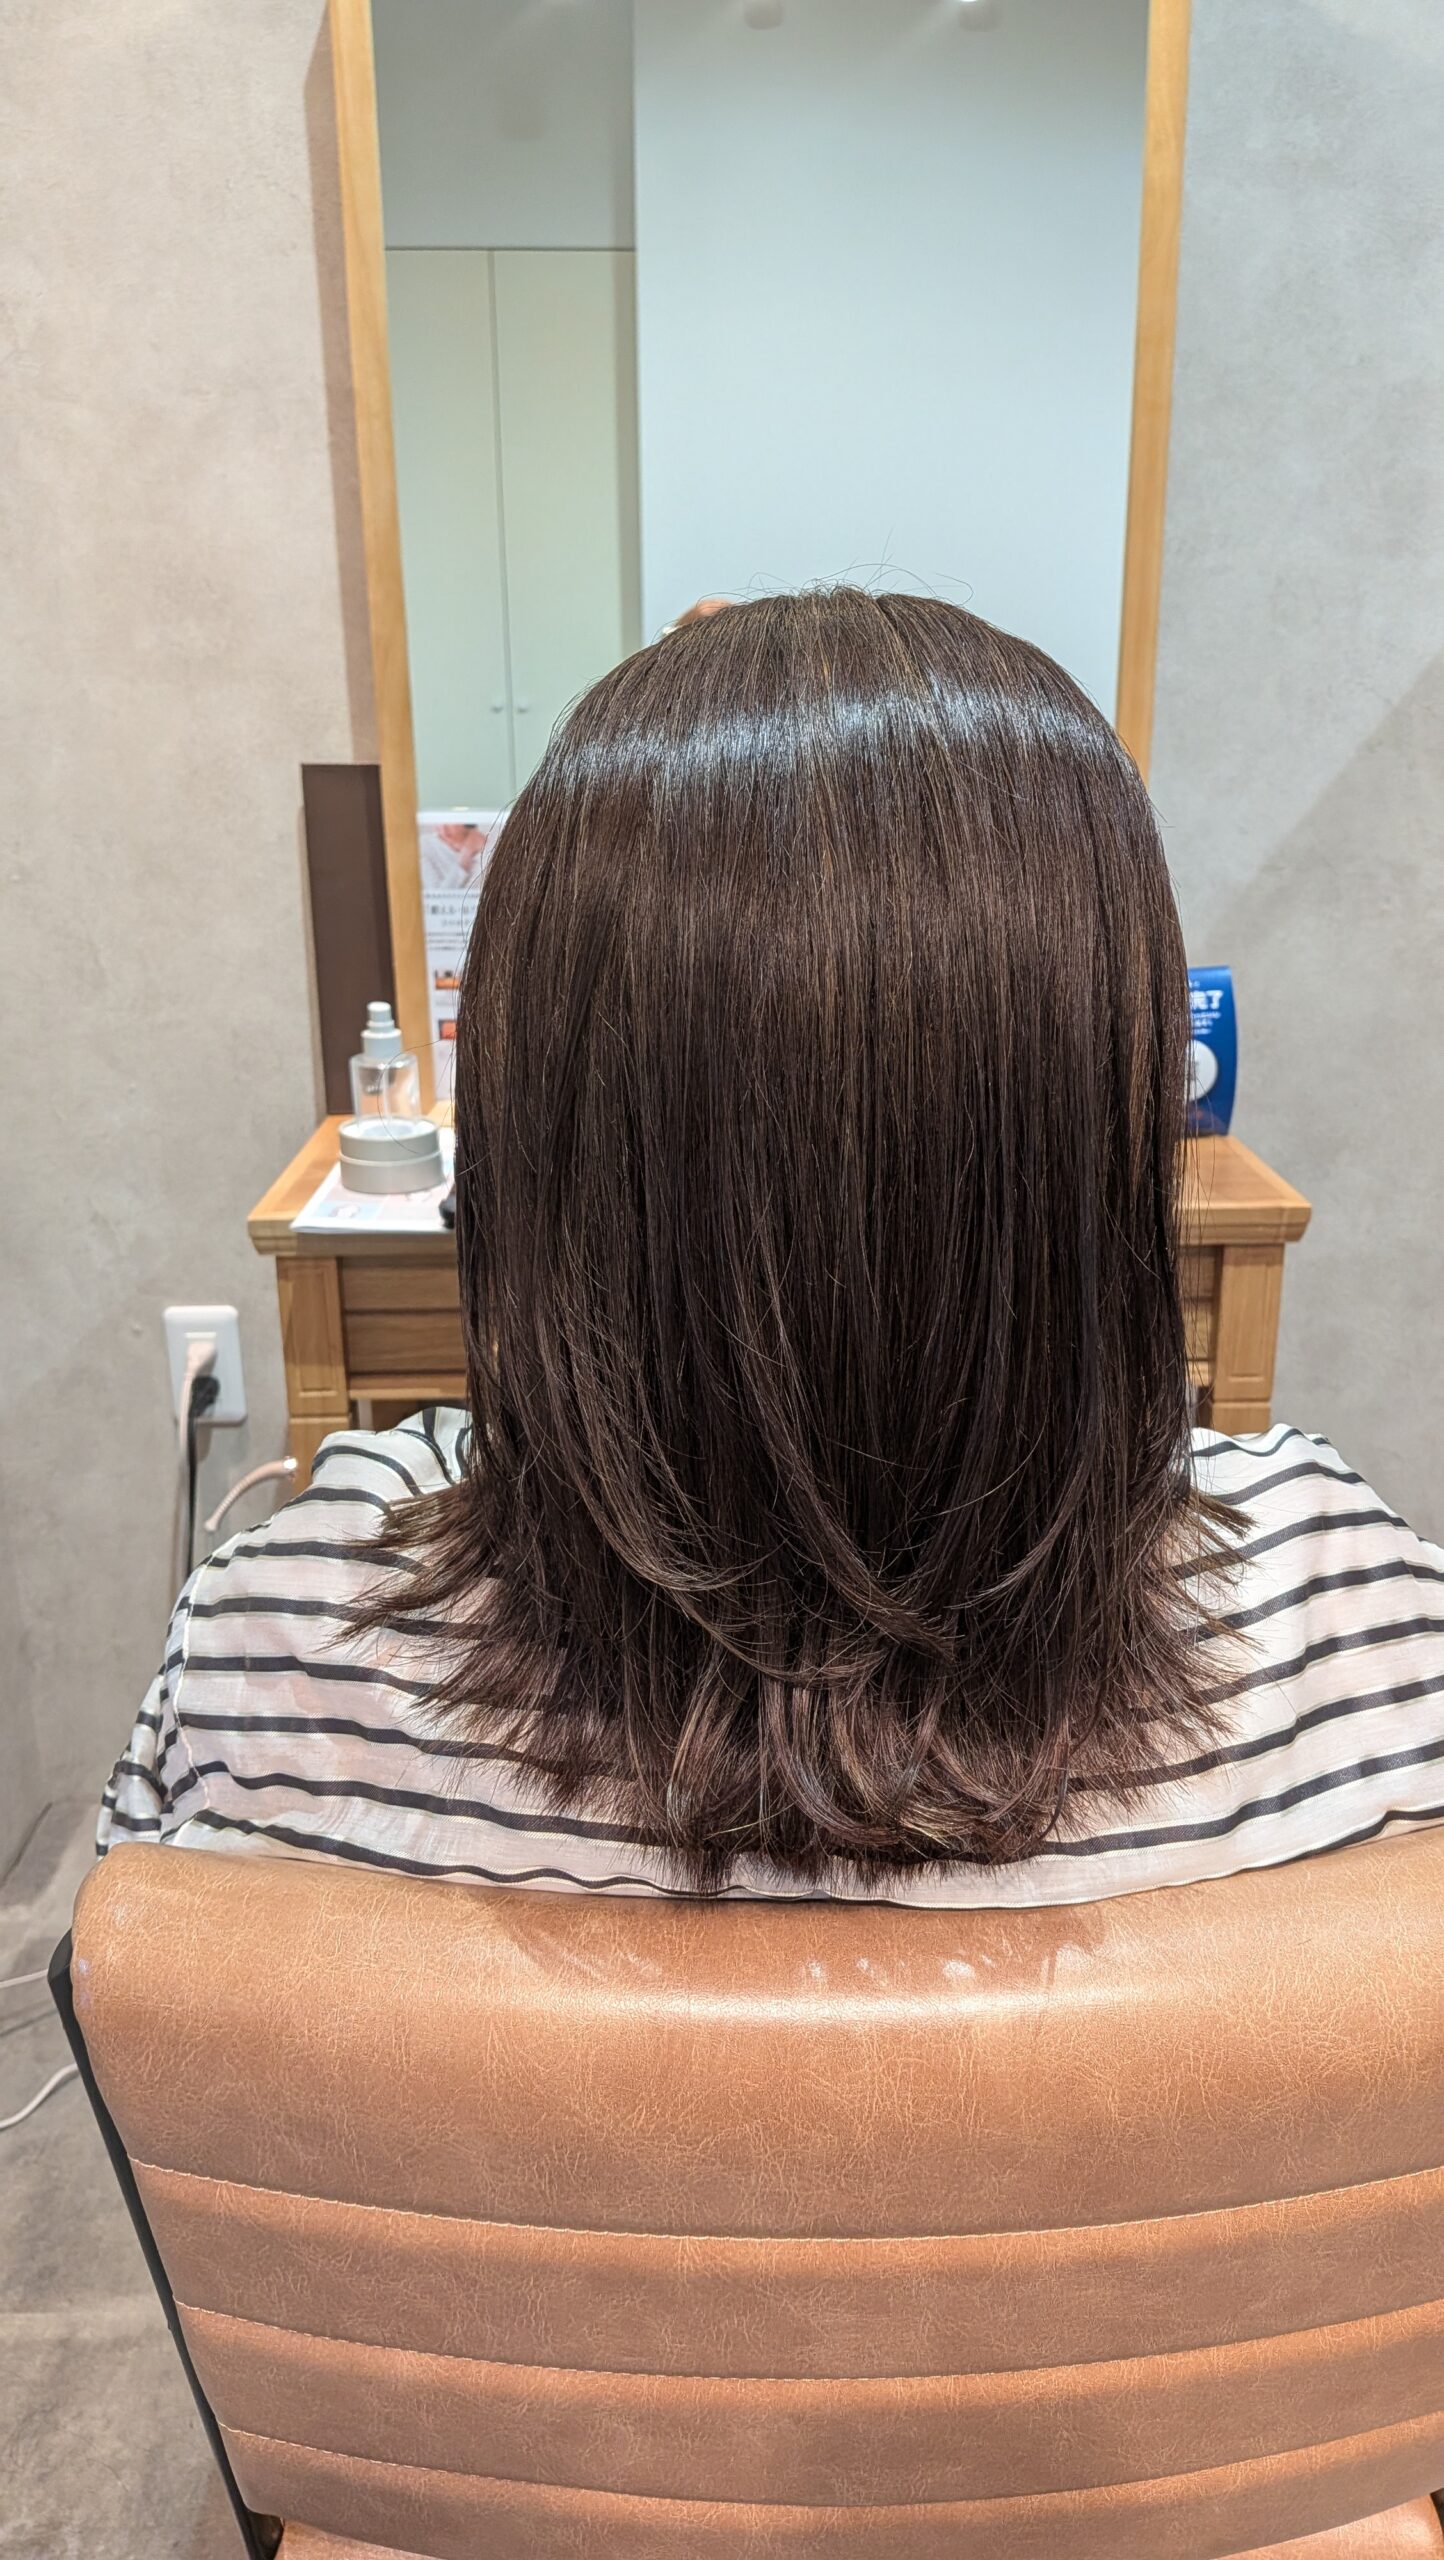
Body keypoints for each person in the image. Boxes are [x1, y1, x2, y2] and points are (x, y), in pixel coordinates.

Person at [102, 590, 1444, 1901]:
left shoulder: (271, 1667)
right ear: (1098, 1137)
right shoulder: (1363, 1636)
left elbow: (130, 2008)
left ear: (540, 1147)